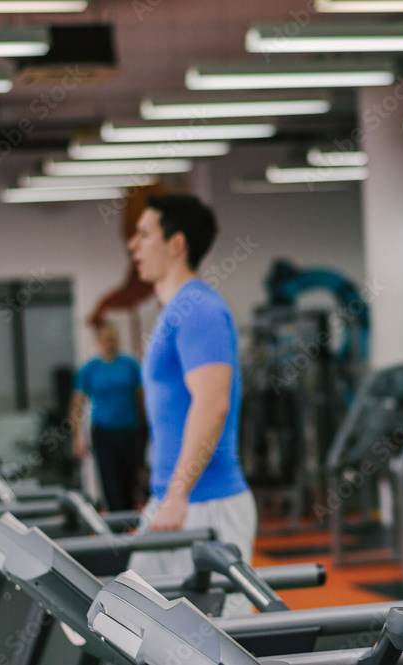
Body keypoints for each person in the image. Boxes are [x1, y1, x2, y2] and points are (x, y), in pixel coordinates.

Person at [126, 194, 255, 615]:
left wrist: (178, 494)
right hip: (174, 501)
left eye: (144, 234)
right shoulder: (176, 310)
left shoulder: (198, 309)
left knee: (217, 647)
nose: (133, 245)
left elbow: (213, 403)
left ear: (176, 244)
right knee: (130, 627)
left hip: (204, 504)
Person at [69, 320, 147, 511]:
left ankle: (132, 526)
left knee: (132, 483)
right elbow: (76, 405)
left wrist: (149, 429)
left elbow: (142, 400)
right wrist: (77, 439)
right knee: (112, 484)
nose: (109, 343)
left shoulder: (130, 365)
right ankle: (116, 526)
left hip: (130, 431)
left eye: (112, 339)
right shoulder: (89, 369)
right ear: (98, 341)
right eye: (105, 340)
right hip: (104, 433)